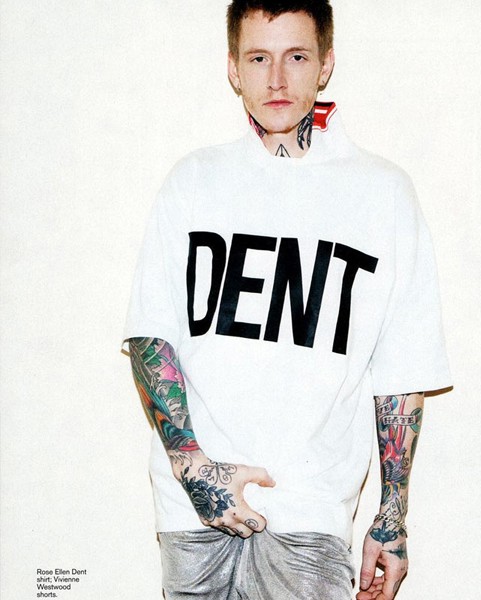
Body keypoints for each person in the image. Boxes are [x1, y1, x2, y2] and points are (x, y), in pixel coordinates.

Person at [124, 1, 452, 599]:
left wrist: (392, 517)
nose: (276, 79)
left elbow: (401, 372)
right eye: (258, 58)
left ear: (325, 64)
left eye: (296, 57)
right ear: (233, 68)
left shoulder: (382, 193)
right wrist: (192, 467)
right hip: (192, 514)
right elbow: (151, 335)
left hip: (311, 515)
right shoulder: (194, 180)